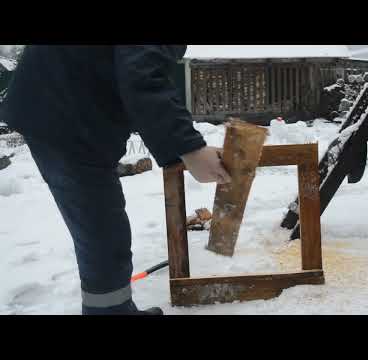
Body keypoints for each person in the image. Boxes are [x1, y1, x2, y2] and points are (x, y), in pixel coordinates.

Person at [3, 45, 231, 315]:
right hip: (62, 113)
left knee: (102, 226)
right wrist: (190, 148)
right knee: (102, 230)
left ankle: (115, 309)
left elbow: (138, 69)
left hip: (64, 105)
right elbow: (141, 75)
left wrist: (182, 147)